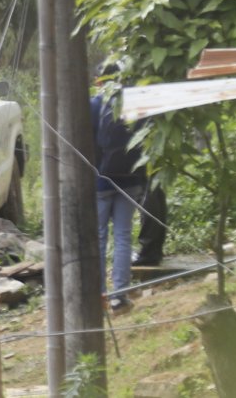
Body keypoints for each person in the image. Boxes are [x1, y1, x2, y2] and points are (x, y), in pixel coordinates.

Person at [91, 66, 147, 312]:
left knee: (99, 237)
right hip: (131, 178)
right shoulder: (133, 102)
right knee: (123, 236)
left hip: (100, 181)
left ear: (98, 81)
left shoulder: (93, 105)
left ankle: (99, 295)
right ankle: (119, 297)